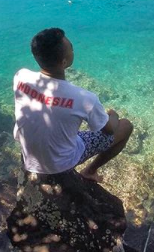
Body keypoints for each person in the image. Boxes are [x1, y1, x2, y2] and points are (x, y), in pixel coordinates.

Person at [13, 27, 133, 182]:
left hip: (29, 156)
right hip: (60, 164)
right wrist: (113, 115)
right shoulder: (84, 98)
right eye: (71, 48)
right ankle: (90, 171)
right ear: (64, 62)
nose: (73, 49)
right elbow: (109, 130)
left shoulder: (20, 76)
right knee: (126, 126)